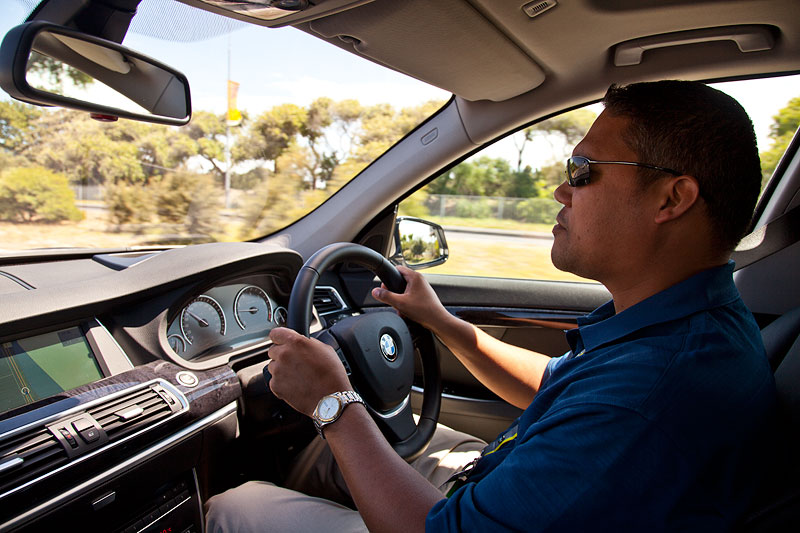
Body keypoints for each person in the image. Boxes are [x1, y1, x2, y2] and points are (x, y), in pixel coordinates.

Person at [205, 80, 777, 532]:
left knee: (235, 507)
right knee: (327, 460)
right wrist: (444, 325)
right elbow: (556, 386)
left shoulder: (652, 393)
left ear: (671, 198)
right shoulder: (684, 324)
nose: (560, 191)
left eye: (582, 172)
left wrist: (332, 402)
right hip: (499, 482)